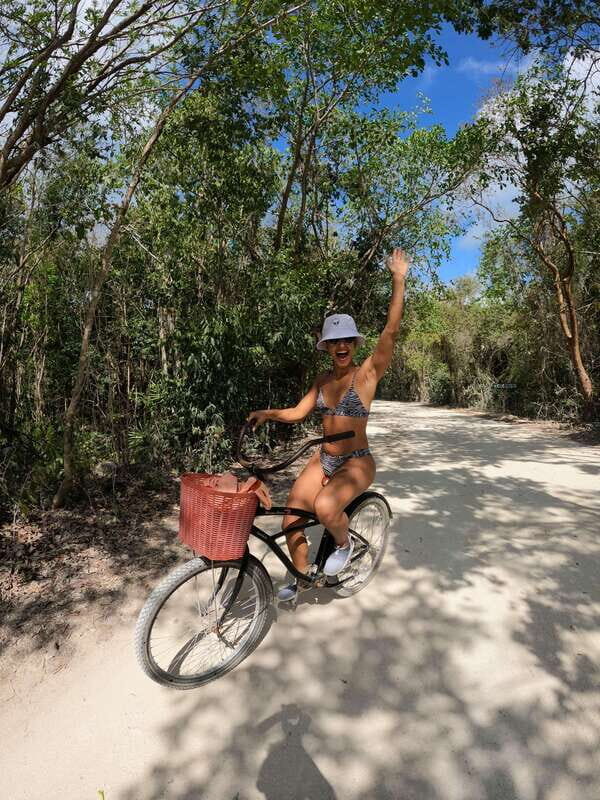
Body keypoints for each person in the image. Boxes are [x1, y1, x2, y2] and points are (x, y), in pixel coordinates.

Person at [248, 247, 409, 600]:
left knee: (324, 508)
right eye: (333, 341)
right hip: (324, 460)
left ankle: (344, 542)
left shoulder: (365, 376)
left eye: (346, 340)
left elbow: (390, 334)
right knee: (290, 518)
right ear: (326, 347)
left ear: (353, 344)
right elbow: (297, 412)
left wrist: (398, 279)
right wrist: (268, 413)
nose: (341, 346)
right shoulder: (321, 381)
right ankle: (303, 575)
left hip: (356, 462)